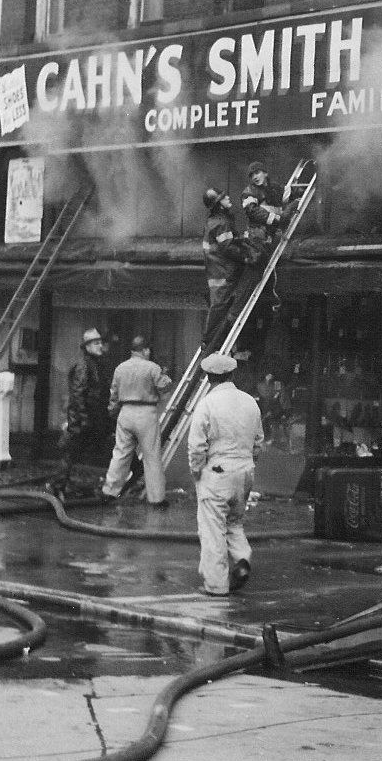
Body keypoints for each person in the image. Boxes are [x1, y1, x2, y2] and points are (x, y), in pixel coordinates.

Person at [185, 352, 263, 596]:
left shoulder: (207, 404)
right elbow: (258, 441)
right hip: (245, 471)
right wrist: (248, 463)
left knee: (212, 529)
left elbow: (196, 445)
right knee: (234, 522)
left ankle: (216, 585)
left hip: (217, 472)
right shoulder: (250, 402)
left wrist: (197, 471)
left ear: (209, 378)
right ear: (231, 374)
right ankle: (242, 559)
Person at [101, 335, 173, 507]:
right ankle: (156, 499)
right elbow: (164, 386)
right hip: (146, 413)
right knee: (151, 456)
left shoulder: (120, 368)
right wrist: (166, 376)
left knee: (120, 453)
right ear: (145, 350)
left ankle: (109, 492)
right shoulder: (152, 368)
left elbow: (114, 395)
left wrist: (113, 413)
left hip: (125, 412)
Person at [51, 327, 112, 495]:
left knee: (73, 453)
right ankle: (57, 487)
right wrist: (84, 419)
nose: (100, 346)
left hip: (90, 419)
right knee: (71, 453)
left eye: (100, 342)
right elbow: (78, 394)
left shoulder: (94, 364)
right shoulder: (84, 366)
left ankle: (60, 485)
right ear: (87, 346)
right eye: (96, 343)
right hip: (83, 420)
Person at [201, 186, 256, 346]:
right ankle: (209, 342)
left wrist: (240, 238)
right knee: (219, 306)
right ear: (218, 204)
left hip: (218, 270)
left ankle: (212, 340)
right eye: (224, 198)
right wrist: (246, 257)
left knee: (220, 305)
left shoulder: (216, 221)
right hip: (223, 272)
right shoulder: (220, 223)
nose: (228, 198)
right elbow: (228, 247)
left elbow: (228, 241)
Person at [240, 161, 285, 261]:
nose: (254, 177)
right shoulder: (249, 192)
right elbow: (252, 211)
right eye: (251, 175)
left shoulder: (275, 188)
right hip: (258, 235)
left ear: (265, 173)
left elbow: (287, 196)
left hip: (274, 233)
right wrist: (275, 218)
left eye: (257, 173)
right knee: (259, 262)